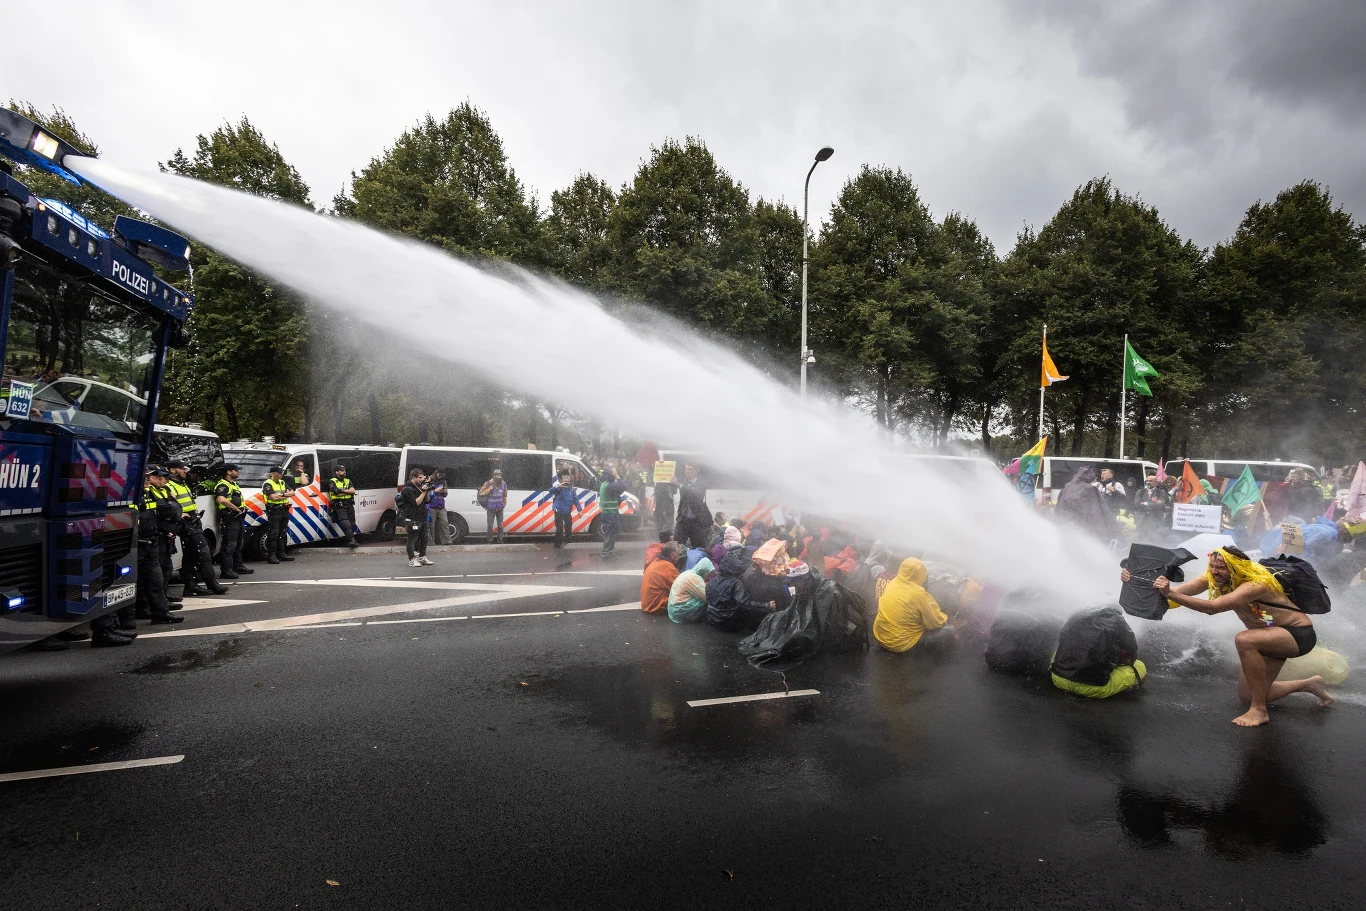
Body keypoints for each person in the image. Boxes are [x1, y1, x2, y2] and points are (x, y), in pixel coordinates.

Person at [1125, 546, 1334, 727]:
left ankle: (1259, 711)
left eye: (1221, 567)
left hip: (1297, 635)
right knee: (1248, 695)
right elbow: (1177, 595)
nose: (1215, 571)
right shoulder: (1213, 577)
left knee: (1244, 639)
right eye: (1213, 566)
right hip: (1267, 636)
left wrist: (1170, 593)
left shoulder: (1256, 584)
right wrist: (1134, 580)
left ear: (1235, 567)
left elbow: (1212, 608)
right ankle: (1310, 684)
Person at [166, 459, 227, 596]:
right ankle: (212, 583)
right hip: (185, 524)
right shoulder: (170, 485)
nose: (185, 471)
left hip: (193, 521)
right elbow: (170, 505)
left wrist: (194, 512)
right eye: (181, 468)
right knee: (203, 552)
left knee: (190, 555)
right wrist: (181, 514)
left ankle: (190, 586)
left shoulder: (182, 484)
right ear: (172, 470)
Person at [134, 466, 184, 627]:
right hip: (137, 543)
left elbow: (159, 514)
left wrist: (162, 530)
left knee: (155, 579)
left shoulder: (148, 493)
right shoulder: (134, 494)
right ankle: (133, 615)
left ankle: (160, 613)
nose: (149, 479)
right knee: (136, 581)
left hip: (152, 540)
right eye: (147, 476)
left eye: (151, 476)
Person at [873, 557, 951, 653]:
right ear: (921, 574)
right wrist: (944, 619)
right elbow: (934, 622)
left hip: (881, 637)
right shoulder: (918, 593)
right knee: (949, 631)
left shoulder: (893, 582)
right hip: (901, 644)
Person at [706, 547, 777, 632]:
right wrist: (767, 605)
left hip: (711, 618)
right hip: (726, 622)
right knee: (752, 611)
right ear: (735, 567)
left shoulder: (712, 580)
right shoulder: (735, 583)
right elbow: (745, 603)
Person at [214, 463, 253, 577]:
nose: (238, 472)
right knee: (229, 545)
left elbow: (236, 498)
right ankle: (226, 570)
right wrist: (235, 508)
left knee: (238, 543)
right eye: (236, 470)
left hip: (237, 517)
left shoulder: (233, 484)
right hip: (230, 517)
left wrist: (243, 507)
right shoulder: (223, 485)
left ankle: (238, 566)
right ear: (229, 472)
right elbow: (221, 499)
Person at [1056, 466, 1114, 540]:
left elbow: (1060, 503)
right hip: (1083, 523)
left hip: (1067, 521)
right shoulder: (1090, 488)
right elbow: (1101, 508)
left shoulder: (1067, 486)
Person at [401, 468, 435, 567]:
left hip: (423, 517)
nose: (421, 479)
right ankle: (411, 559)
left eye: (422, 477)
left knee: (424, 538)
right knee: (412, 539)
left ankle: (422, 556)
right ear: (413, 477)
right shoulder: (408, 489)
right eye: (419, 478)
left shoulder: (419, 487)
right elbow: (416, 502)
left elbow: (427, 500)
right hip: (412, 517)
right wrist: (423, 492)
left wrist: (426, 490)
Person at [262, 465, 294, 565]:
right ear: (273, 473)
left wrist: (282, 495)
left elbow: (293, 492)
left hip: (283, 510)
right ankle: (271, 556)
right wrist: (284, 496)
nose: (281, 474)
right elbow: (272, 497)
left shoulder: (282, 482)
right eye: (279, 472)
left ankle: (282, 554)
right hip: (274, 511)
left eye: (281, 472)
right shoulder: (267, 483)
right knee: (274, 533)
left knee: (282, 532)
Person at [675, 464, 712, 548]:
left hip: (697, 520)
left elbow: (695, 493)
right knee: (677, 546)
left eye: (690, 469)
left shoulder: (702, 482)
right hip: (683, 519)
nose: (687, 471)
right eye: (686, 469)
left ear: (696, 471)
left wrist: (680, 485)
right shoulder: (683, 481)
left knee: (699, 547)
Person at [668, 556, 715, 623]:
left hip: (674, 610)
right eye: (709, 574)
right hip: (679, 612)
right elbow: (707, 597)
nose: (709, 577)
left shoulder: (689, 572)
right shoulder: (694, 579)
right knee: (703, 603)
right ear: (705, 572)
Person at [641, 542, 683, 613]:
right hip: (657, 605)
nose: (678, 558)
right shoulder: (667, 567)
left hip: (647, 604)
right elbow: (681, 587)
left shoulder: (656, 562)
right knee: (690, 599)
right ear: (672, 555)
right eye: (678, 555)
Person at [326, 463, 361, 549]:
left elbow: (353, 491)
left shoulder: (348, 481)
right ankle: (352, 540)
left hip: (349, 504)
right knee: (346, 523)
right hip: (339, 505)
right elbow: (336, 493)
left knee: (352, 523)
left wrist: (342, 491)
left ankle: (350, 540)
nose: (344, 472)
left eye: (344, 470)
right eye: (342, 471)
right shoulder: (332, 481)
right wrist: (347, 491)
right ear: (337, 472)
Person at [597, 467, 628, 557]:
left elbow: (618, 492)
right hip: (610, 514)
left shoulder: (604, 484)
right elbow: (623, 487)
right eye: (612, 475)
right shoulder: (609, 485)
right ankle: (606, 552)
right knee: (610, 533)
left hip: (609, 513)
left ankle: (608, 551)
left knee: (612, 532)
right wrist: (617, 476)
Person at [550, 468, 580, 549]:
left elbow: (576, 499)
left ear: (570, 478)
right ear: (561, 479)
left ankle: (568, 544)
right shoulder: (559, 487)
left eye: (568, 478)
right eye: (564, 478)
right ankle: (557, 545)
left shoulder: (572, 488)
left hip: (567, 511)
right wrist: (558, 487)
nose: (566, 480)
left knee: (568, 527)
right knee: (559, 529)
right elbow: (551, 491)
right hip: (559, 511)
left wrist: (579, 510)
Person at [479, 469, 508, 543]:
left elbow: (505, 495)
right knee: (490, 526)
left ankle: (500, 539)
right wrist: (489, 489)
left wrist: (503, 505)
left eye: (499, 474)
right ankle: (490, 540)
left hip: (499, 508)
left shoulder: (503, 484)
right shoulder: (488, 483)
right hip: (491, 508)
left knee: (500, 526)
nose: (498, 476)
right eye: (496, 474)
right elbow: (480, 493)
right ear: (493, 475)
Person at [424, 470, 448, 547]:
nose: (441, 477)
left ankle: (446, 541)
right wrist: (435, 491)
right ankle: (431, 542)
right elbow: (425, 493)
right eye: (440, 475)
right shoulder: (429, 481)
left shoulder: (443, 481)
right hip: (431, 506)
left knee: (445, 523)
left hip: (441, 505)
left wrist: (444, 492)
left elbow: (445, 495)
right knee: (431, 525)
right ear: (436, 473)